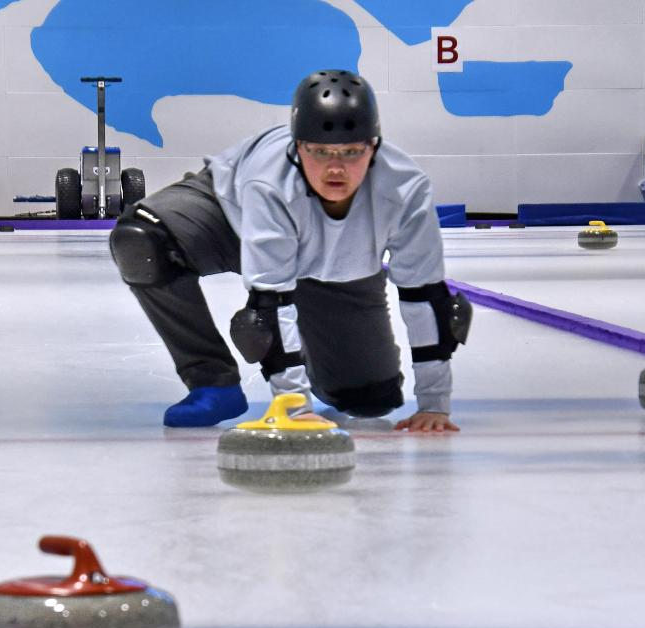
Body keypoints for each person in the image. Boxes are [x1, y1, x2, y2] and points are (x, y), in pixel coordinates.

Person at [109, 69, 471, 431]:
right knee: (142, 241)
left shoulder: (405, 189)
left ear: (373, 147)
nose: (335, 168)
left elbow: (426, 297)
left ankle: (322, 367)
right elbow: (270, 302)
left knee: (369, 399)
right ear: (298, 147)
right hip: (230, 214)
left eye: (351, 152)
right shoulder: (269, 181)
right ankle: (212, 382)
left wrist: (434, 404)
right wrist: (294, 406)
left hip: (329, 265)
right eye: (320, 152)